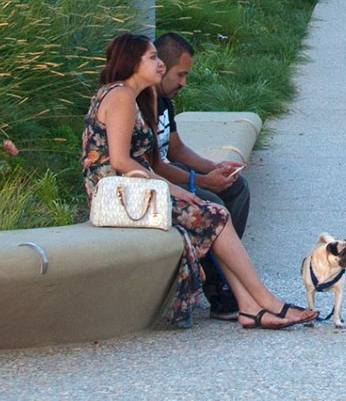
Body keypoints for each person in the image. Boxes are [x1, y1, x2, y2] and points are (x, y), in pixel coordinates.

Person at [81, 33, 317, 330]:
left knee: (215, 213)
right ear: (132, 62)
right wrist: (174, 189)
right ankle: (265, 302)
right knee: (216, 214)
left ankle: (249, 307)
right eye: (152, 58)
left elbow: (157, 158)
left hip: (136, 191)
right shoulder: (121, 97)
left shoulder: (141, 97)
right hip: (121, 197)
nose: (160, 64)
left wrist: (201, 176)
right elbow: (119, 161)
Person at [151, 31, 249, 321]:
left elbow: (176, 149)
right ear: (161, 67)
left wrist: (214, 167)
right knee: (210, 203)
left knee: (237, 187)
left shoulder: (165, 101)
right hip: (154, 181)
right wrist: (203, 182)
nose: (184, 83)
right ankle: (219, 289)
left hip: (170, 172)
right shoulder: (143, 103)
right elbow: (154, 166)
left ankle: (224, 274)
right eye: (180, 74)